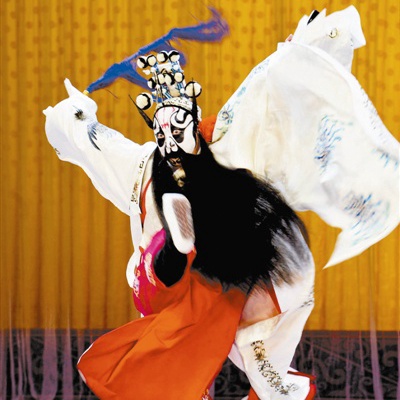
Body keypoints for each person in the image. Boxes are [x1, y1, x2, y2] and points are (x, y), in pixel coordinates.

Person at [43, 5, 399, 400]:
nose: (171, 143)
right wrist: (73, 116)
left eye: (180, 129)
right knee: (169, 356)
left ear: (195, 121)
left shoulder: (229, 146)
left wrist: (304, 49)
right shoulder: (144, 168)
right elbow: (92, 142)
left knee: (268, 371)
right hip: (175, 292)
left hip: (246, 280)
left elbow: (269, 89)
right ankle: (176, 250)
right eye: (162, 134)